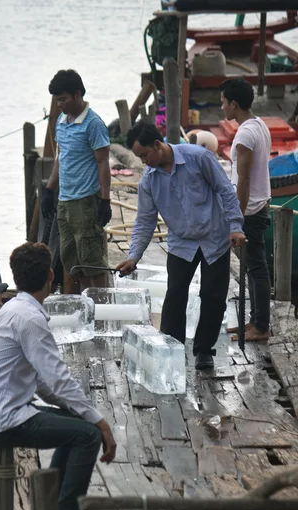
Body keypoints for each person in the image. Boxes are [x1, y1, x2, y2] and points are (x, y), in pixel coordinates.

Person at [0, 242, 116, 510]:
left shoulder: (14, 309)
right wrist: (100, 421)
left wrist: (83, 413)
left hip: (4, 410)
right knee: (87, 437)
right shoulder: (29, 318)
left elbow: (41, 383)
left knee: (80, 428)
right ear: (52, 275)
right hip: (4, 420)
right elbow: (59, 380)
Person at [116, 122, 246, 370]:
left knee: (213, 295)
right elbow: (145, 220)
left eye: (144, 155)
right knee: (175, 294)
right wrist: (134, 256)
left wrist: (235, 226)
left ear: (157, 145)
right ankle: (169, 347)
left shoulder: (199, 157)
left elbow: (225, 191)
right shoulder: (149, 181)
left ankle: (203, 351)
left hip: (214, 237)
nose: (143, 162)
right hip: (181, 242)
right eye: (139, 157)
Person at [41, 69, 111, 293]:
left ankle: (100, 313)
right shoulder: (61, 122)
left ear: (77, 94)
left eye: (63, 99)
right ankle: (80, 309)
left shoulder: (93, 124)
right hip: (65, 201)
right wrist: (49, 190)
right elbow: (62, 158)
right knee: (70, 261)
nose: (59, 104)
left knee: (92, 262)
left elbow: (103, 163)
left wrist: (105, 199)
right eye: (56, 100)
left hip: (85, 202)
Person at [220, 78, 272, 342]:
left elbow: (245, 180)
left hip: (250, 210)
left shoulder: (244, 134)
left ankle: (261, 326)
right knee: (253, 267)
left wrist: (237, 219)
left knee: (257, 268)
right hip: (259, 205)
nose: (222, 108)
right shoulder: (259, 125)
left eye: (223, 102)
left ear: (234, 104)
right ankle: (253, 322)